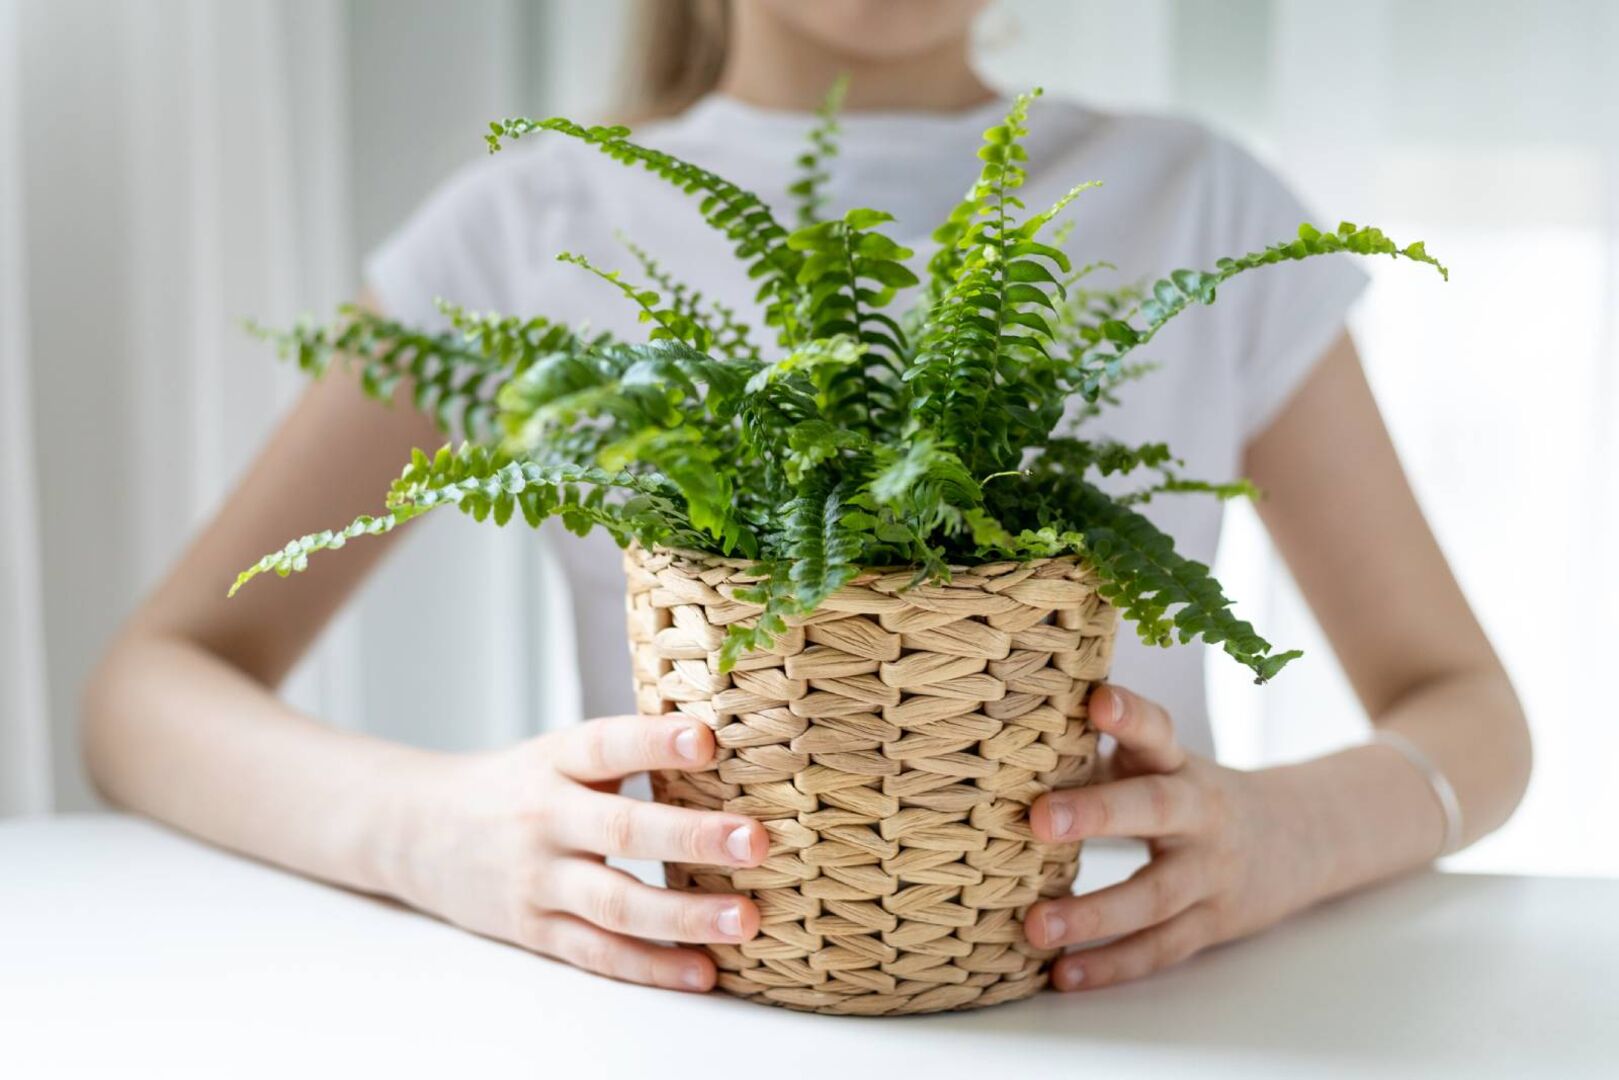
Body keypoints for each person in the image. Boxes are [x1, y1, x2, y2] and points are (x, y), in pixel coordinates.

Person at [83, 0, 1529, 996]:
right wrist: (437, 831)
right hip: (693, 1013)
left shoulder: (1194, 202)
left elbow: (1467, 707)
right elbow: (147, 694)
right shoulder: (544, 221)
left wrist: (1296, 836)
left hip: (1141, 1015)